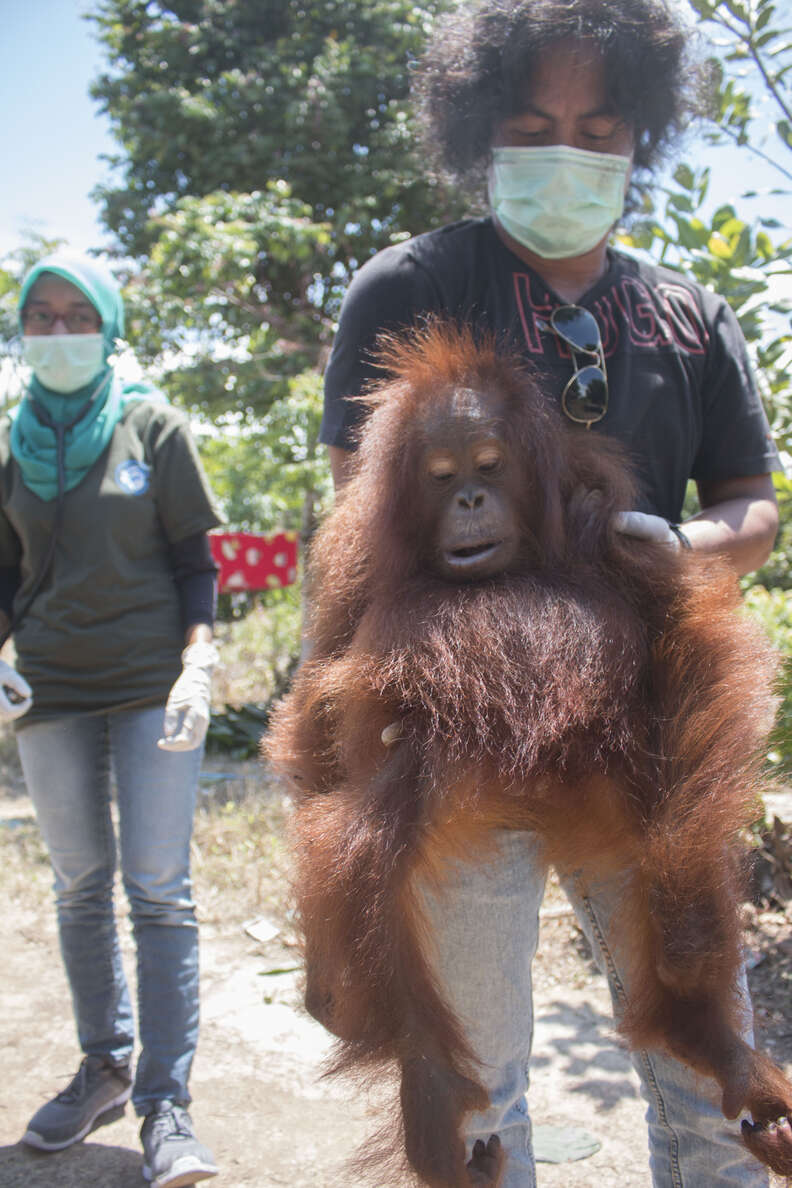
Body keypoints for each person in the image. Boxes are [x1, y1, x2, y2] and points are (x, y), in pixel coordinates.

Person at [320, 1, 782, 1184]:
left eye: (597, 125)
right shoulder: (406, 288)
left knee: (706, 1072)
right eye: (533, 124)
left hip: (646, 738)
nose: (566, 151)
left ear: (642, 138)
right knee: (473, 1084)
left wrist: (687, 549)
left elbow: (754, 501)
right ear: (482, 132)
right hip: (456, 741)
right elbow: (357, 531)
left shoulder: (691, 314)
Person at [1, 252, 222, 1188]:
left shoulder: (153, 426)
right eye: (39, 317)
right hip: (48, 689)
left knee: (158, 885)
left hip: (147, 686)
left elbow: (196, 562)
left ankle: (167, 1105)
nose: (58, 332)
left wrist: (198, 663)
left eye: (73, 314)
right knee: (79, 886)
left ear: (108, 322)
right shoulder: (9, 439)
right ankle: (105, 1067)